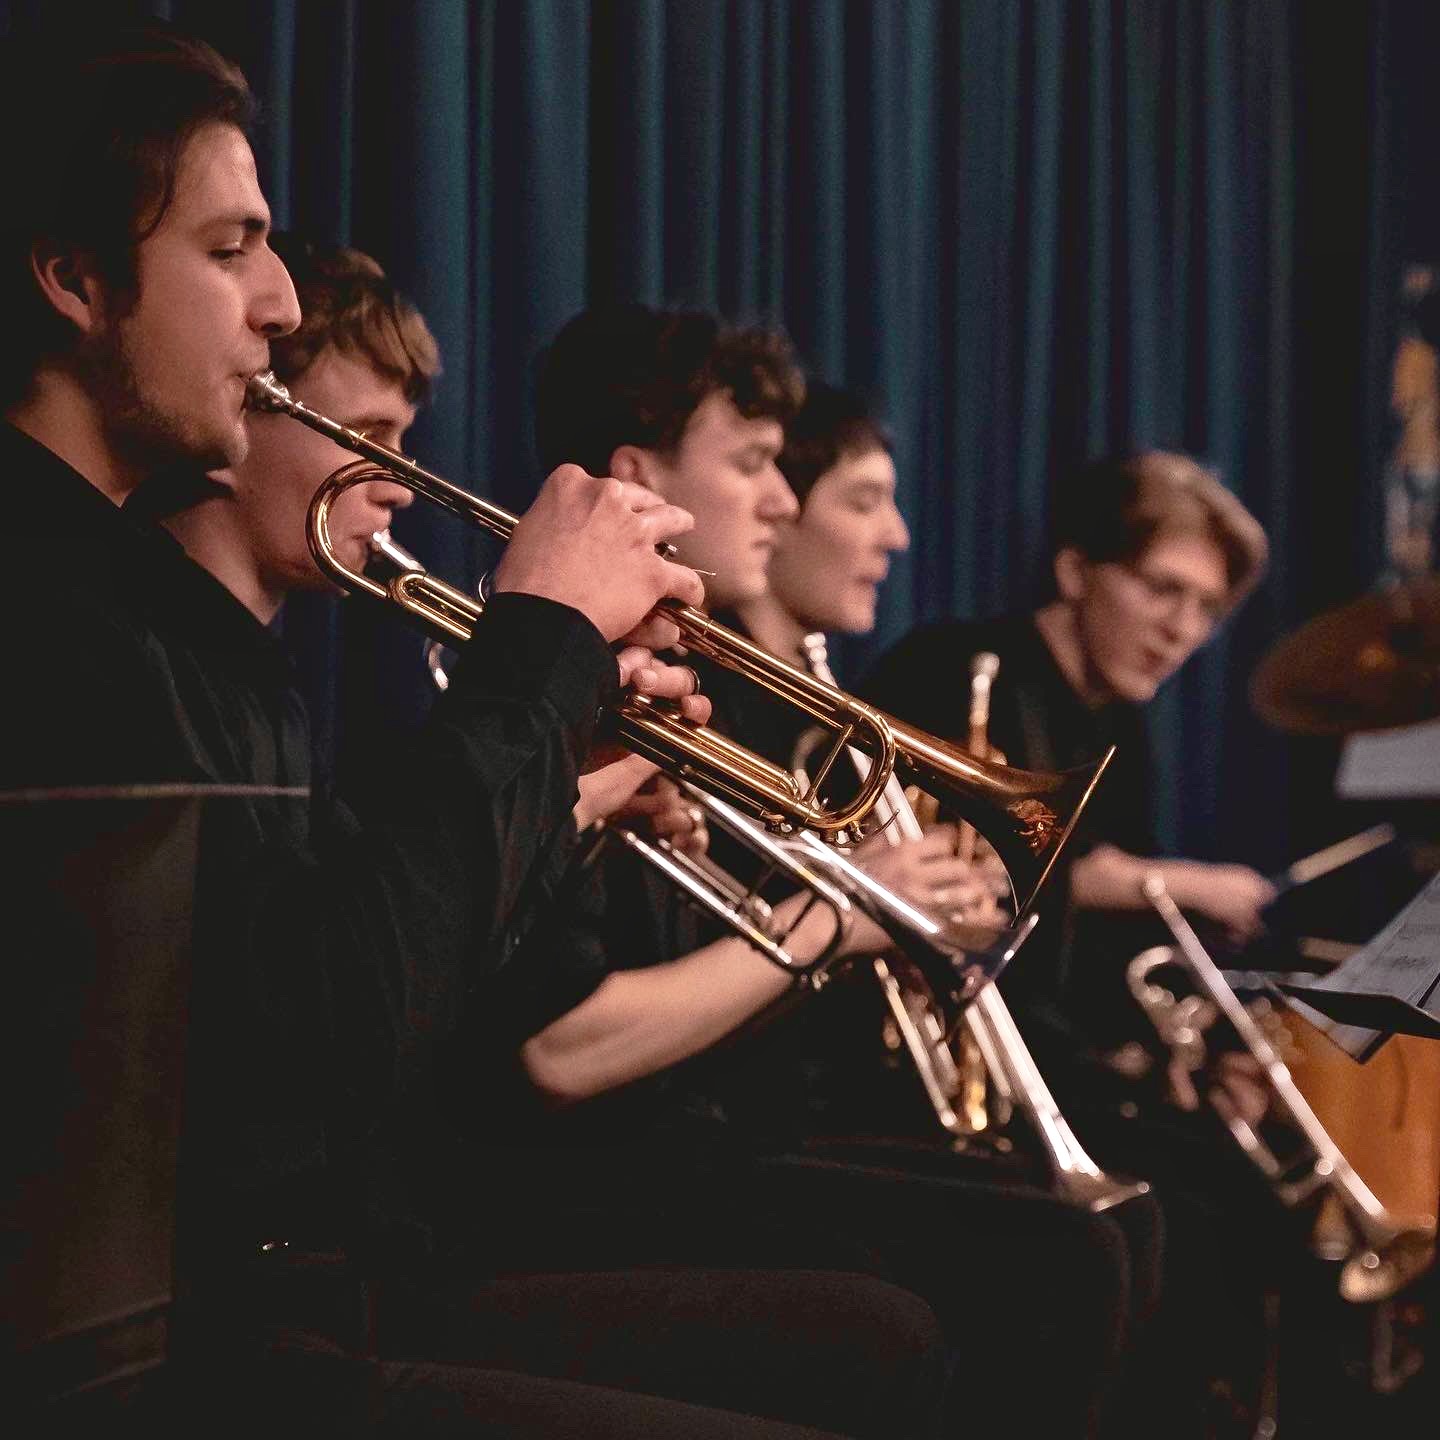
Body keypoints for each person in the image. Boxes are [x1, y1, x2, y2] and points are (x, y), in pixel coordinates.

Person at [0, 24, 943, 1438]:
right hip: (197, 1354)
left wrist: (557, 791)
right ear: (74, 278)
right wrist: (539, 657)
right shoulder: (72, 617)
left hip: (303, 1302)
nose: (274, 306)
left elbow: (333, 974)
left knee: (887, 1332)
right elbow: (321, 1050)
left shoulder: (164, 623)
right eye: (230, 248)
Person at [476, 316, 1152, 1439]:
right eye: (751, 467)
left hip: (707, 1134)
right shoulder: (541, 708)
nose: (782, 501)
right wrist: (843, 908)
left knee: (1088, 1238)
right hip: (595, 1179)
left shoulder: (686, 698)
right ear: (639, 480)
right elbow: (557, 1050)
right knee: (1040, 1266)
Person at [862, 449, 1287, 1436]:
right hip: (931, 1072)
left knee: (1238, 1179)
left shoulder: (1115, 721)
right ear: (1075, 571)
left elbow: (1085, 941)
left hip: (1056, 1052)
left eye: (1207, 611)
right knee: (1178, 1209)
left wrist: (1173, 1055)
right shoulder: (964, 667)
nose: (1183, 630)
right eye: (1163, 591)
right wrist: (1184, 882)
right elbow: (1006, 880)